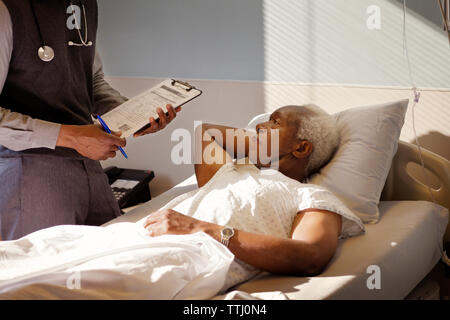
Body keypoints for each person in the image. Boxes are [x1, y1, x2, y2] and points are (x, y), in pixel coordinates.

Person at [0, 105, 365, 299]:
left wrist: (202, 228)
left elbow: (310, 257)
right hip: (134, 236)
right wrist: (261, 144)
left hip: (185, 255)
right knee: (26, 256)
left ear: (302, 147)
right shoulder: (232, 171)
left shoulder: (312, 196)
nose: (256, 129)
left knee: (35, 291)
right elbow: (205, 133)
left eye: (273, 123)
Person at [0, 0, 180, 240]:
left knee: (112, 262)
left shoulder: (84, 6)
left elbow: (90, 81)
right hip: (30, 170)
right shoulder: (7, 9)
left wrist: (131, 114)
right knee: (49, 272)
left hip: (89, 167)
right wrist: (72, 137)